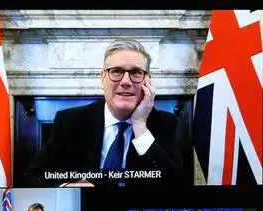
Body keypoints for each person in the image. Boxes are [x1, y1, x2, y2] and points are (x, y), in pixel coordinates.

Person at [23, 37, 191, 188]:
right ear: (102, 78)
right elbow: (32, 178)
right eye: (116, 71)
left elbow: (179, 188)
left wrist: (140, 125)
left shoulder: (165, 123)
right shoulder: (70, 121)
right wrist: (67, 188)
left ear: (148, 81)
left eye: (136, 72)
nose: (126, 81)